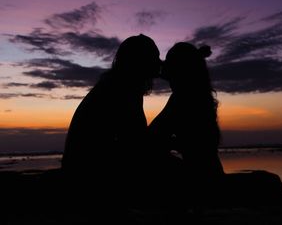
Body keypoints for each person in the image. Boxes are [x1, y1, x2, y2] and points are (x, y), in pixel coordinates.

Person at [61, 34, 161, 198]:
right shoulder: (124, 89)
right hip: (88, 173)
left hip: (79, 166)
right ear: (141, 61)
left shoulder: (116, 82)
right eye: (154, 58)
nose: (158, 63)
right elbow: (136, 141)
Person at [149, 42, 224, 206]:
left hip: (200, 181)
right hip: (211, 175)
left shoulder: (182, 98)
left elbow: (152, 136)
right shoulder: (200, 96)